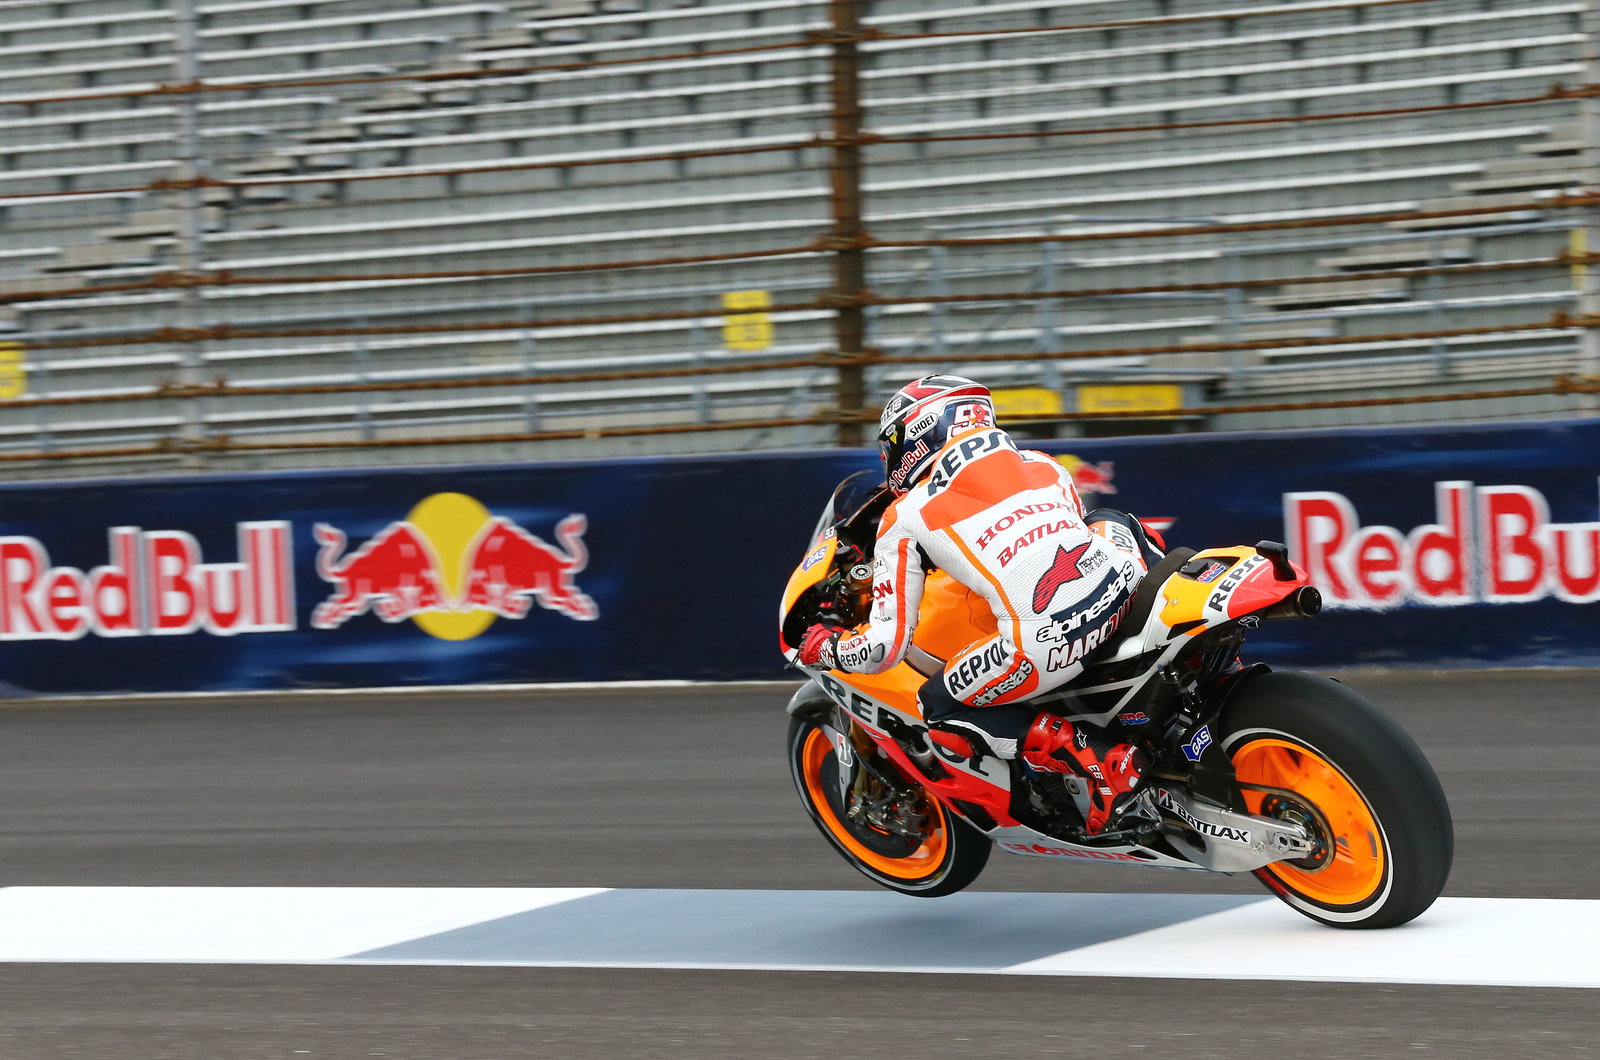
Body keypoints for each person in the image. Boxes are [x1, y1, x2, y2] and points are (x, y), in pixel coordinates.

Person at [797, 374, 1162, 834]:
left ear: (917, 433)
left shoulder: (905, 515)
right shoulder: (1044, 465)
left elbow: (885, 648)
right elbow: (1055, 538)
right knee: (1109, 519)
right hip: (1124, 588)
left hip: (1047, 640)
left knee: (939, 707)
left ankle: (1095, 758)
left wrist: (826, 648)